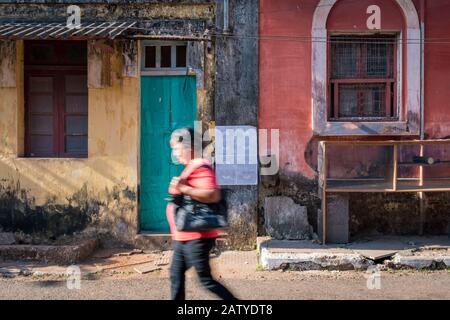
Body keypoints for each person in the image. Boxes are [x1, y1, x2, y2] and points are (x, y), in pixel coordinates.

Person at [167, 127, 237, 301]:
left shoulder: (200, 166)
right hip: (183, 236)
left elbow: (213, 194)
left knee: (205, 280)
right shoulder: (191, 166)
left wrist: (183, 188)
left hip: (197, 236)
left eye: (176, 148)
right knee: (176, 275)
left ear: (189, 148)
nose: (175, 153)